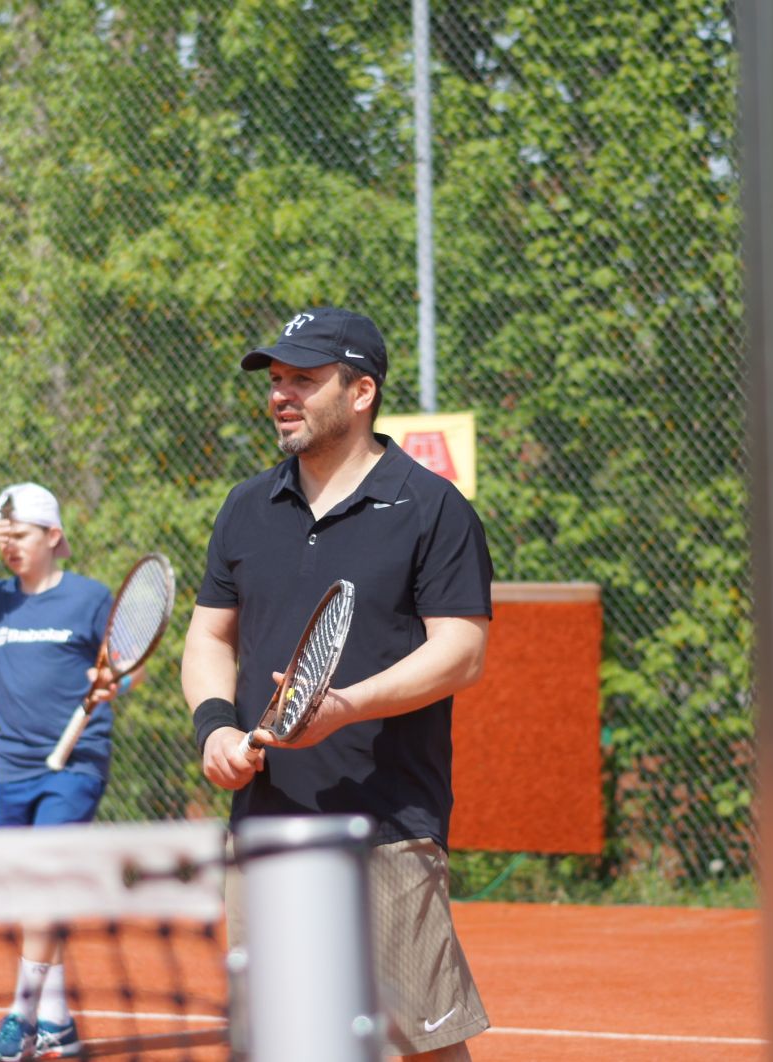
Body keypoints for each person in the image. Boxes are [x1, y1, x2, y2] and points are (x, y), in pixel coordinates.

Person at [181, 307, 493, 1060]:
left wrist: (347, 705)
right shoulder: (246, 507)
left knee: (416, 1045)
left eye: (304, 379)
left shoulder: (432, 508)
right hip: (265, 828)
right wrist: (215, 726)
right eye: (275, 380)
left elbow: (461, 652)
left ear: (361, 392)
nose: (280, 395)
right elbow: (209, 636)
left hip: (384, 825)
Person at [0, 482, 132, 1061]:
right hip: (12, 769)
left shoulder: (88, 598)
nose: (9, 546)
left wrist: (110, 680)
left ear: (53, 536)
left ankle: (23, 1019)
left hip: (75, 766)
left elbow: (126, 664)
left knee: (41, 881)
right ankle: (58, 1020)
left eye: (20, 536)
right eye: (2, 538)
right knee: (29, 894)